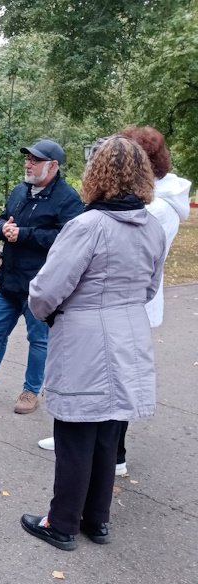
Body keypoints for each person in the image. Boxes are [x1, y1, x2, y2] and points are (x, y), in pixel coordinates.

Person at [21, 136, 166, 550]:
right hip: (129, 337)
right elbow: (150, 289)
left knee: (74, 435)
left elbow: (46, 290)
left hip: (85, 340)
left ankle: (62, 523)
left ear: (96, 174)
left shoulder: (88, 226)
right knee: (107, 432)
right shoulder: (150, 225)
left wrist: (49, 313)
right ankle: (96, 521)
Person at [37, 128, 192, 476]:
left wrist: (54, 309)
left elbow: (132, 263)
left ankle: (101, 469)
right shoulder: (139, 215)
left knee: (108, 389)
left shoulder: (141, 217)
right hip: (123, 305)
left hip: (117, 306)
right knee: (108, 386)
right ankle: (99, 488)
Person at [0, 140, 83, 413]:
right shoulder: (20, 191)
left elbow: (67, 239)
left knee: (38, 341)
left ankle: (31, 392)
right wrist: (3, 229)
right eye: (28, 158)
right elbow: (1, 220)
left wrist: (24, 234)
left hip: (41, 286)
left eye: (35, 160)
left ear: (53, 165)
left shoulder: (68, 198)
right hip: (9, 280)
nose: (28, 163)